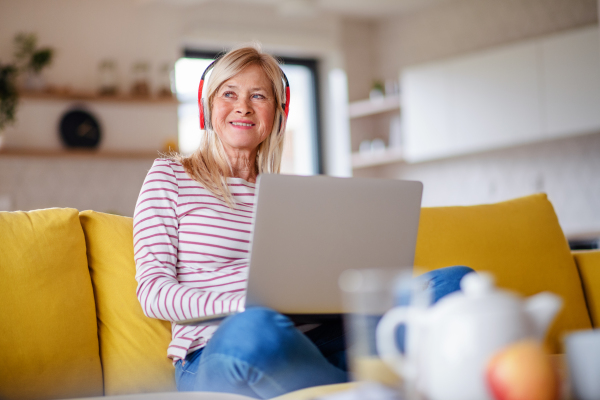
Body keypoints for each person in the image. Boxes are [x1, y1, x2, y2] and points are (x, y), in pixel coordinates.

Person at [133, 44, 473, 399]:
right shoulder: (170, 176)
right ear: (207, 105)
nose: (243, 106)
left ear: (277, 113)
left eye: (258, 96)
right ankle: (366, 381)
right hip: (221, 347)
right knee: (256, 328)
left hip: (317, 338)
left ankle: (344, 381)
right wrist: (244, 305)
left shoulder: (290, 194)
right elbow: (154, 294)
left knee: (455, 284)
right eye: (229, 93)